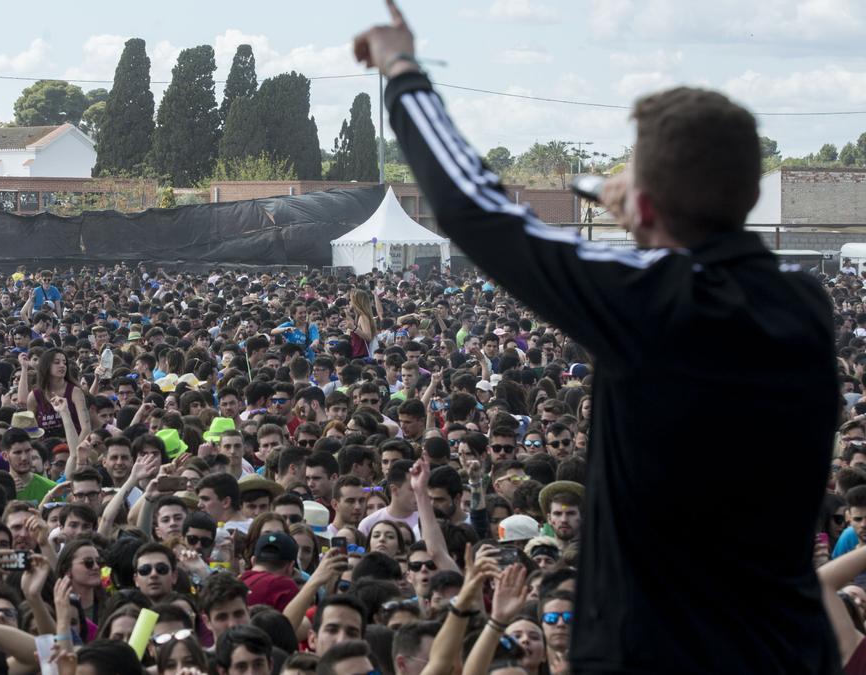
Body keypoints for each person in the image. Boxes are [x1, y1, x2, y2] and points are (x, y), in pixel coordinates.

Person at [354, 2, 840, 671]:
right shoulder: (804, 301)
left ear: (641, 208)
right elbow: (691, 246)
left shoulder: (654, 302)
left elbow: (480, 211)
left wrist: (402, 70)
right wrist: (645, 214)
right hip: (784, 651)